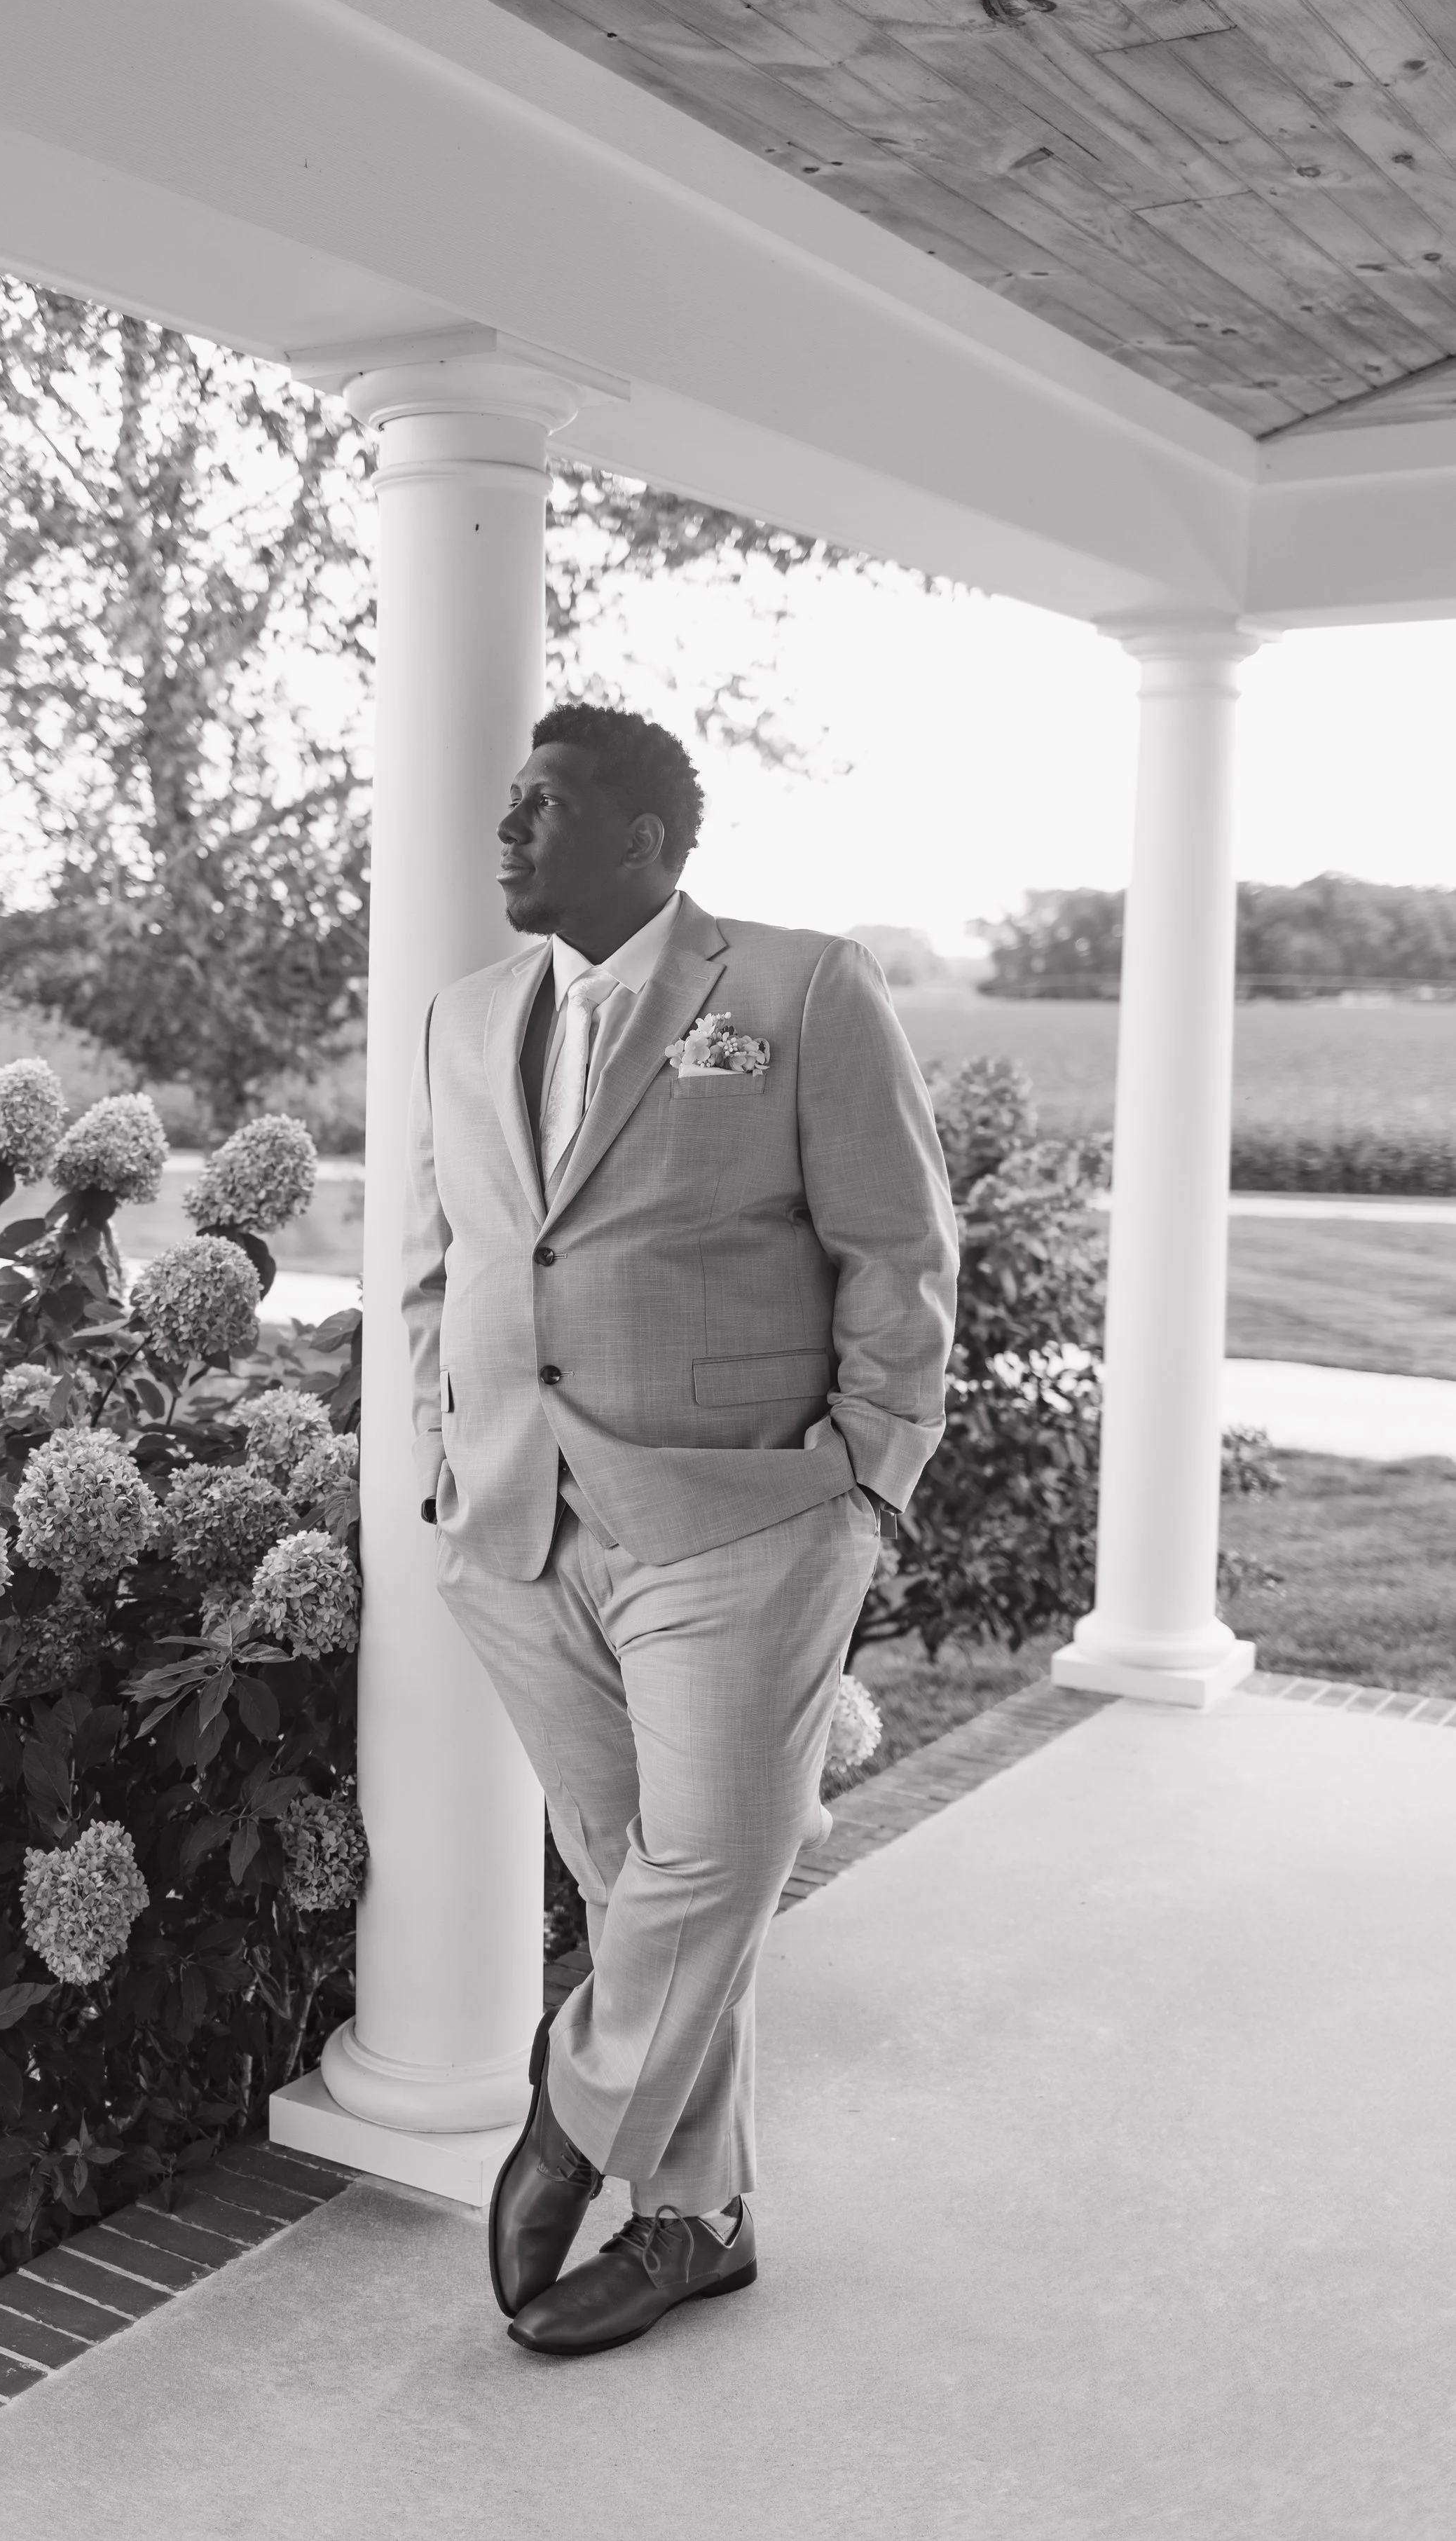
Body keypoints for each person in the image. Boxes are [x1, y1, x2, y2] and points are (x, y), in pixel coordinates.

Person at [403, 703, 956, 2357]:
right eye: (508, 803)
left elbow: (896, 1249)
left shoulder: (794, 989)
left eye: (548, 807)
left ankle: (569, 2121)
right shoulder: (467, 1012)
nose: (508, 831)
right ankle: (694, 2223)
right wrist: (441, 1457)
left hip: (739, 1516)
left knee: (718, 1855)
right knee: (636, 1878)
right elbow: (454, 1259)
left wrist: (865, 1477)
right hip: (518, 1519)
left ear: (644, 843)